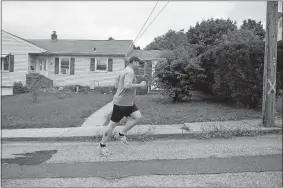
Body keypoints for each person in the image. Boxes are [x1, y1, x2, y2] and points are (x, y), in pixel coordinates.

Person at [100, 56, 147, 156]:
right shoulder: (129, 71)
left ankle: (121, 133)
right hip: (121, 104)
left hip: (128, 103)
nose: (139, 65)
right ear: (134, 62)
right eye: (138, 63)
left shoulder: (126, 70)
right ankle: (102, 145)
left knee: (138, 117)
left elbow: (117, 82)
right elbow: (127, 85)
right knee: (112, 125)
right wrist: (140, 85)